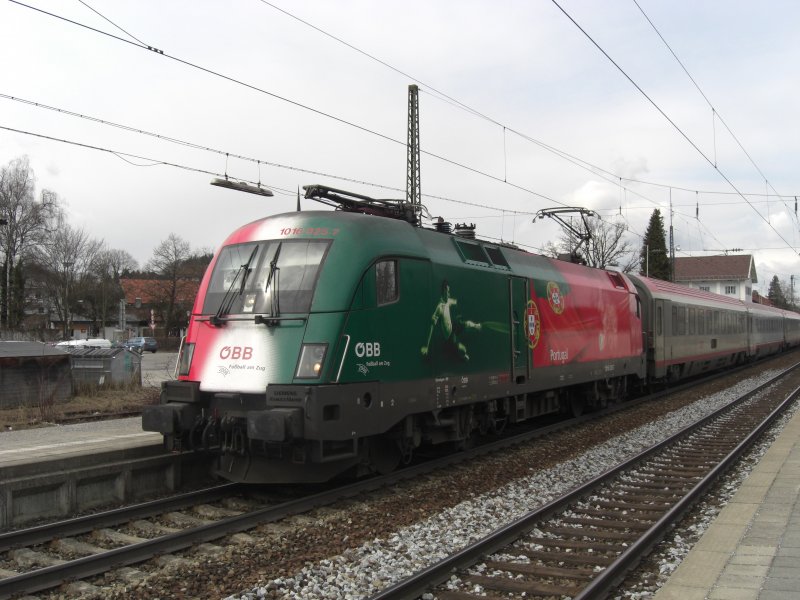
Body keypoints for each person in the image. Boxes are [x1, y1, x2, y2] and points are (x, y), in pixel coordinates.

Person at [421, 280, 481, 361]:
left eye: (449, 291)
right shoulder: (439, 307)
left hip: (453, 326)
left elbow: (456, 302)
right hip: (449, 336)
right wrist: (426, 346)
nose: (449, 293)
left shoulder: (448, 301)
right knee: (463, 350)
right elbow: (431, 327)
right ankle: (462, 356)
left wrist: (461, 303)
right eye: (448, 291)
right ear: (444, 291)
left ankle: (476, 326)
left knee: (467, 323)